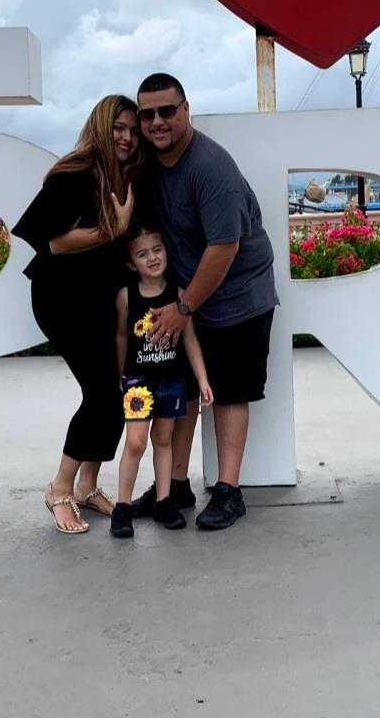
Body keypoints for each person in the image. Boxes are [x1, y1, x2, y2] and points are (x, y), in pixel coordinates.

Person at [131, 73, 278, 530]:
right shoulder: (150, 165)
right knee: (183, 392)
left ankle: (230, 491)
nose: (157, 121)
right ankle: (172, 487)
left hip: (237, 295)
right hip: (188, 297)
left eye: (166, 111)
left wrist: (183, 308)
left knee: (231, 391)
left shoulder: (211, 167)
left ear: (186, 110)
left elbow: (224, 248)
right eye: (147, 114)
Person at [11, 95, 142, 534]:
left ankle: (88, 484)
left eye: (132, 129)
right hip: (63, 297)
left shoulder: (124, 178)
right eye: (118, 128)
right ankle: (60, 487)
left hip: (102, 297)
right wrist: (115, 229)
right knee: (102, 394)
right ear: (102, 128)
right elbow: (55, 242)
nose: (126, 137)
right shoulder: (76, 173)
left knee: (120, 392)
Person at [110, 224, 213, 538]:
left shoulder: (180, 295)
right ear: (132, 263)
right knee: (136, 442)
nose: (152, 258)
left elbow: (191, 340)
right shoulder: (126, 296)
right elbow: (122, 336)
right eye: (142, 254)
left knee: (164, 439)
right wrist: (120, 374)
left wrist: (203, 379)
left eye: (157, 250)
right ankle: (123, 507)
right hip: (139, 381)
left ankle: (164, 501)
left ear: (166, 252)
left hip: (172, 380)